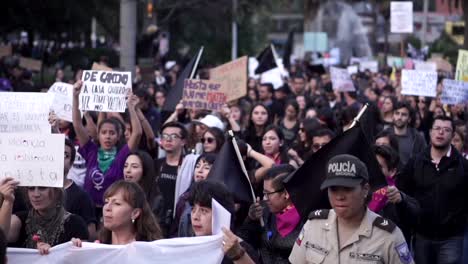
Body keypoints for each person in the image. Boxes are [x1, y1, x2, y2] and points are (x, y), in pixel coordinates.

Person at [289, 154, 413, 264]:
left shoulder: (388, 236)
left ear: (365, 189)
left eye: (347, 189)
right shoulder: (313, 225)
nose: (339, 196)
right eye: (333, 189)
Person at [391, 115, 468, 264]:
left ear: (452, 135)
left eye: (446, 130)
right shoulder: (416, 162)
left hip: (451, 238)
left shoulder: (462, 166)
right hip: (422, 235)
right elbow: (403, 193)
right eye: (437, 128)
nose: (441, 133)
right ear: (430, 132)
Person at [72, 80, 142, 212]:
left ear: (118, 136)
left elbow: (137, 133)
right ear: (98, 135)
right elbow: (77, 124)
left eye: (112, 133)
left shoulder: (122, 155)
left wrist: (131, 108)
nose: (108, 136)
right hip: (89, 209)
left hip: (113, 211)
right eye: (104, 133)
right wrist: (75, 97)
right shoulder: (91, 151)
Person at [1, 179, 89, 255]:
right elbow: (2, 237)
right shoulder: (20, 220)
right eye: (31, 188)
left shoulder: (75, 224)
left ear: (57, 191)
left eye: (42, 188)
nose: (36, 194)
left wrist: (57, 254)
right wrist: (8, 201)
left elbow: (84, 258)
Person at [238, 165, 302, 264]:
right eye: (264, 193)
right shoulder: (263, 211)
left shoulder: (308, 219)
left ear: (286, 193)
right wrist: (251, 220)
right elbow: (244, 243)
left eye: (268, 194)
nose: (265, 198)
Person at [72, 181, 162, 246]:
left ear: (135, 213)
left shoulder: (149, 249)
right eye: (106, 202)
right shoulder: (98, 246)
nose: (107, 208)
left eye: (117, 203)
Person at [188, 181, 259, 264]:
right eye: (193, 209)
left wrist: (239, 256)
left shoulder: (241, 250)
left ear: (221, 213)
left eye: (204, 211)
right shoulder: (190, 244)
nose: (195, 217)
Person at [172, 153, 217, 237]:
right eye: (197, 166)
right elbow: (175, 231)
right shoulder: (184, 198)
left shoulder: (219, 200)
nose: (200, 170)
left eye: (206, 168)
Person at [155, 121, 188, 235]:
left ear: (183, 141)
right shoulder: (156, 164)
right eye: (165, 136)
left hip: (178, 222)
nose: (168, 140)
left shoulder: (188, 166)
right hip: (157, 220)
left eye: (174, 136)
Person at [63, 139, 97, 241]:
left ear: (71, 162)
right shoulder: (33, 192)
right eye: (55, 153)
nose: (59, 158)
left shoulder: (82, 197)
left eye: (65, 155)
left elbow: (90, 236)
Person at [123, 150, 164, 222]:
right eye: (125, 166)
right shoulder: (119, 194)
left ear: (145, 170)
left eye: (134, 167)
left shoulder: (156, 200)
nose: (128, 170)